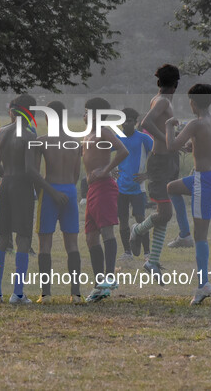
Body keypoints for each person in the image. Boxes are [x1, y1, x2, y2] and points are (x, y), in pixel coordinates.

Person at [0, 94, 68, 305]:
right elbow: (31, 171)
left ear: (12, 111)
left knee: (2, 238)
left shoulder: (1, 132)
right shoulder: (30, 136)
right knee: (23, 238)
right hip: (23, 189)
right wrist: (50, 191)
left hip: (6, 186)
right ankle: (17, 293)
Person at [165, 83, 211, 305]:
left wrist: (167, 126)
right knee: (172, 188)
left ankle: (203, 284)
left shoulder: (194, 124)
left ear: (192, 102)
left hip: (204, 181)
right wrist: (200, 147)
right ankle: (183, 234)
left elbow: (172, 145)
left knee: (201, 236)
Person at [129, 64, 181, 284]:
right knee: (166, 213)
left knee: (164, 214)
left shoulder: (161, 100)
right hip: (160, 163)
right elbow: (145, 122)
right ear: (176, 84)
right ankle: (138, 229)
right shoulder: (161, 101)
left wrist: (178, 143)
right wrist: (165, 140)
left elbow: (160, 127)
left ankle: (152, 262)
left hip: (168, 161)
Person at [34, 101, 83, 304]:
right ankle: (76, 294)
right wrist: (67, 190)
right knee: (72, 244)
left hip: (50, 191)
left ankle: (45, 294)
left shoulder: (42, 141)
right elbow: (76, 175)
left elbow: (36, 175)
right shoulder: (75, 142)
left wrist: (50, 192)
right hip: (70, 191)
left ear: (47, 118)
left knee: (44, 245)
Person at [82, 97, 129, 302]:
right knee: (91, 237)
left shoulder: (103, 131)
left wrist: (106, 171)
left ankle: (109, 277)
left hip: (104, 187)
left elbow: (123, 150)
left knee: (106, 231)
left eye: (86, 111)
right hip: (92, 190)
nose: (83, 115)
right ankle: (99, 285)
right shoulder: (89, 135)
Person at [116, 108, 153, 263]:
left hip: (138, 188)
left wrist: (148, 174)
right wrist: (110, 169)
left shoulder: (143, 138)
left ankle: (147, 253)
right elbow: (103, 152)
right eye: (124, 120)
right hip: (120, 187)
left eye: (130, 120)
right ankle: (127, 252)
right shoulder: (117, 138)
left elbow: (158, 155)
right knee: (123, 220)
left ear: (135, 122)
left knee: (140, 219)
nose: (126, 123)